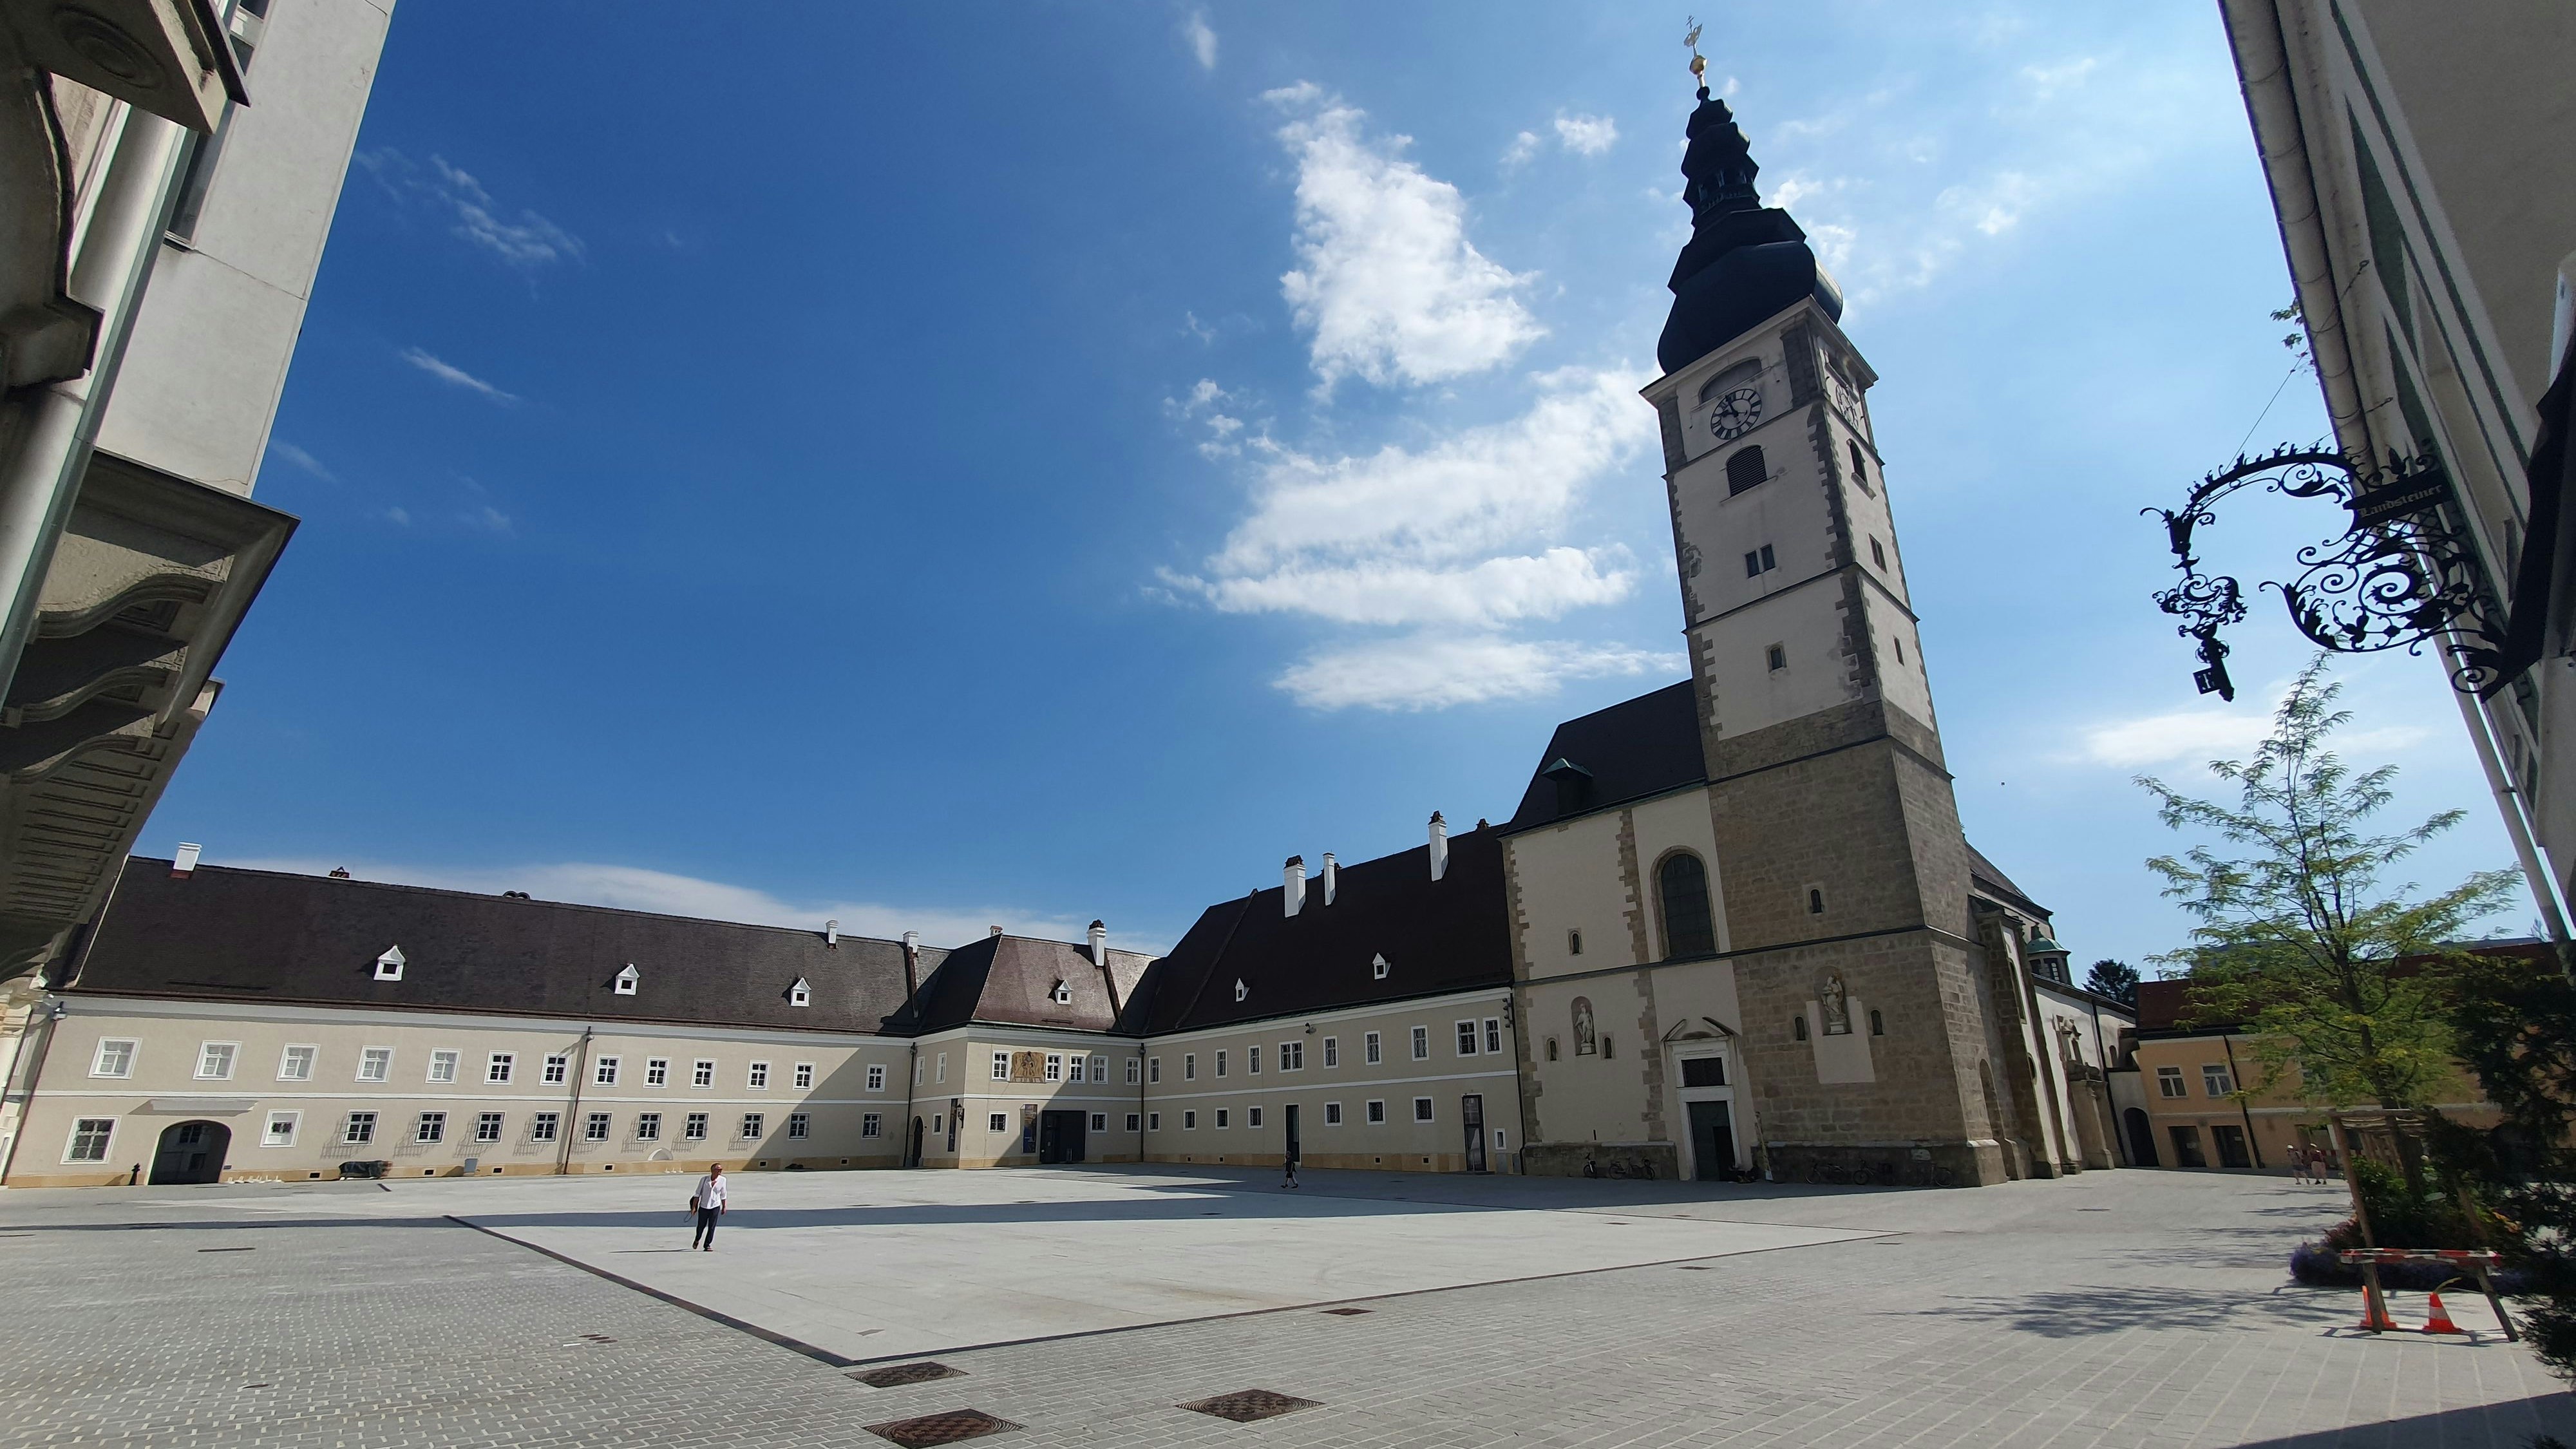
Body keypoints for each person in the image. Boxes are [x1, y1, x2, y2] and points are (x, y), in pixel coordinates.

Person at [690, 1163, 727, 1250]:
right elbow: (697, 1194)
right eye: (718, 1169)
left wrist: (724, 1206)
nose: (720, 1171)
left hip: (715, 1206)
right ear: (712, 1170)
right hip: (704, 1206)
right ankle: (697, 1239)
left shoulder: (723, 1180)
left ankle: (707, 1245)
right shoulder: (704, 1180)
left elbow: (723, 1194)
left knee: (712, 1226)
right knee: (701, 1226)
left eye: (721, 1169)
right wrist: (694, 1207)